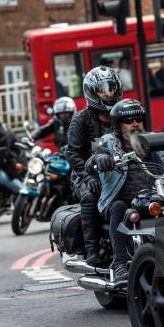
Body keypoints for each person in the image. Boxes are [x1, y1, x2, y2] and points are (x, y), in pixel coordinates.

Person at [92, 99, 164, 280]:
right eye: (128, 120)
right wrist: (101, 160)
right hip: (124, 199)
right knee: (118, 207)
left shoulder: (152, 140)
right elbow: (94, 158)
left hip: (157, 195)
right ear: (118, 125)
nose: (134, 123)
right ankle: (119, 264)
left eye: (138, 118)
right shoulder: (108, 142)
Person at [66, 66, 121, 265]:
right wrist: (87, 176)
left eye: (111, 88)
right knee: (90, 197)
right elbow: (72, 152)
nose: (107, 93)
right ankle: (92, 249)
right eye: (102, 89)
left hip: (119, 170)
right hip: (85, 174)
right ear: (92, 92)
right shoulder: (80, 120)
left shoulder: (121, 114)